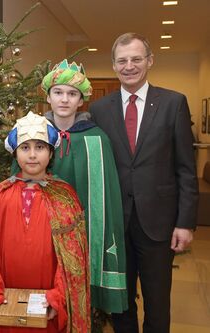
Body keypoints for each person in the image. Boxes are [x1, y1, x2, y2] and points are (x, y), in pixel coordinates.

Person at [89, 32, 199, 333]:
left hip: (159, 223)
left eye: (136, 59)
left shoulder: (174, 103)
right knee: (120, 303)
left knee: (158, 303)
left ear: (149, 61)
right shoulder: (99, 109)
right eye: (122, 60)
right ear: (113, 65)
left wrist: (185, 223)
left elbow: (186, 169)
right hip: (115, 223)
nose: (129, 66)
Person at [0, 111, 90, 333]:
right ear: (15, 153)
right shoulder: (0, 194)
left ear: (50, 152)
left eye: (40, 147)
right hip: (6, 303)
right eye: (25, 148)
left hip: (47, 305)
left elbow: (72, 259)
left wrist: (57, 298)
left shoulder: (64, 196)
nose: (32, 155)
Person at [41, 59, 128, 315]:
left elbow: (106, 198)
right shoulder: (35, 136)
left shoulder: (97, 138)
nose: (64, 99)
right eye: (58, 92)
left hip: (83, 235)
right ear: (48, 97)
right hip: (42, 233)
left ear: (81, 100)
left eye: (72, 94)